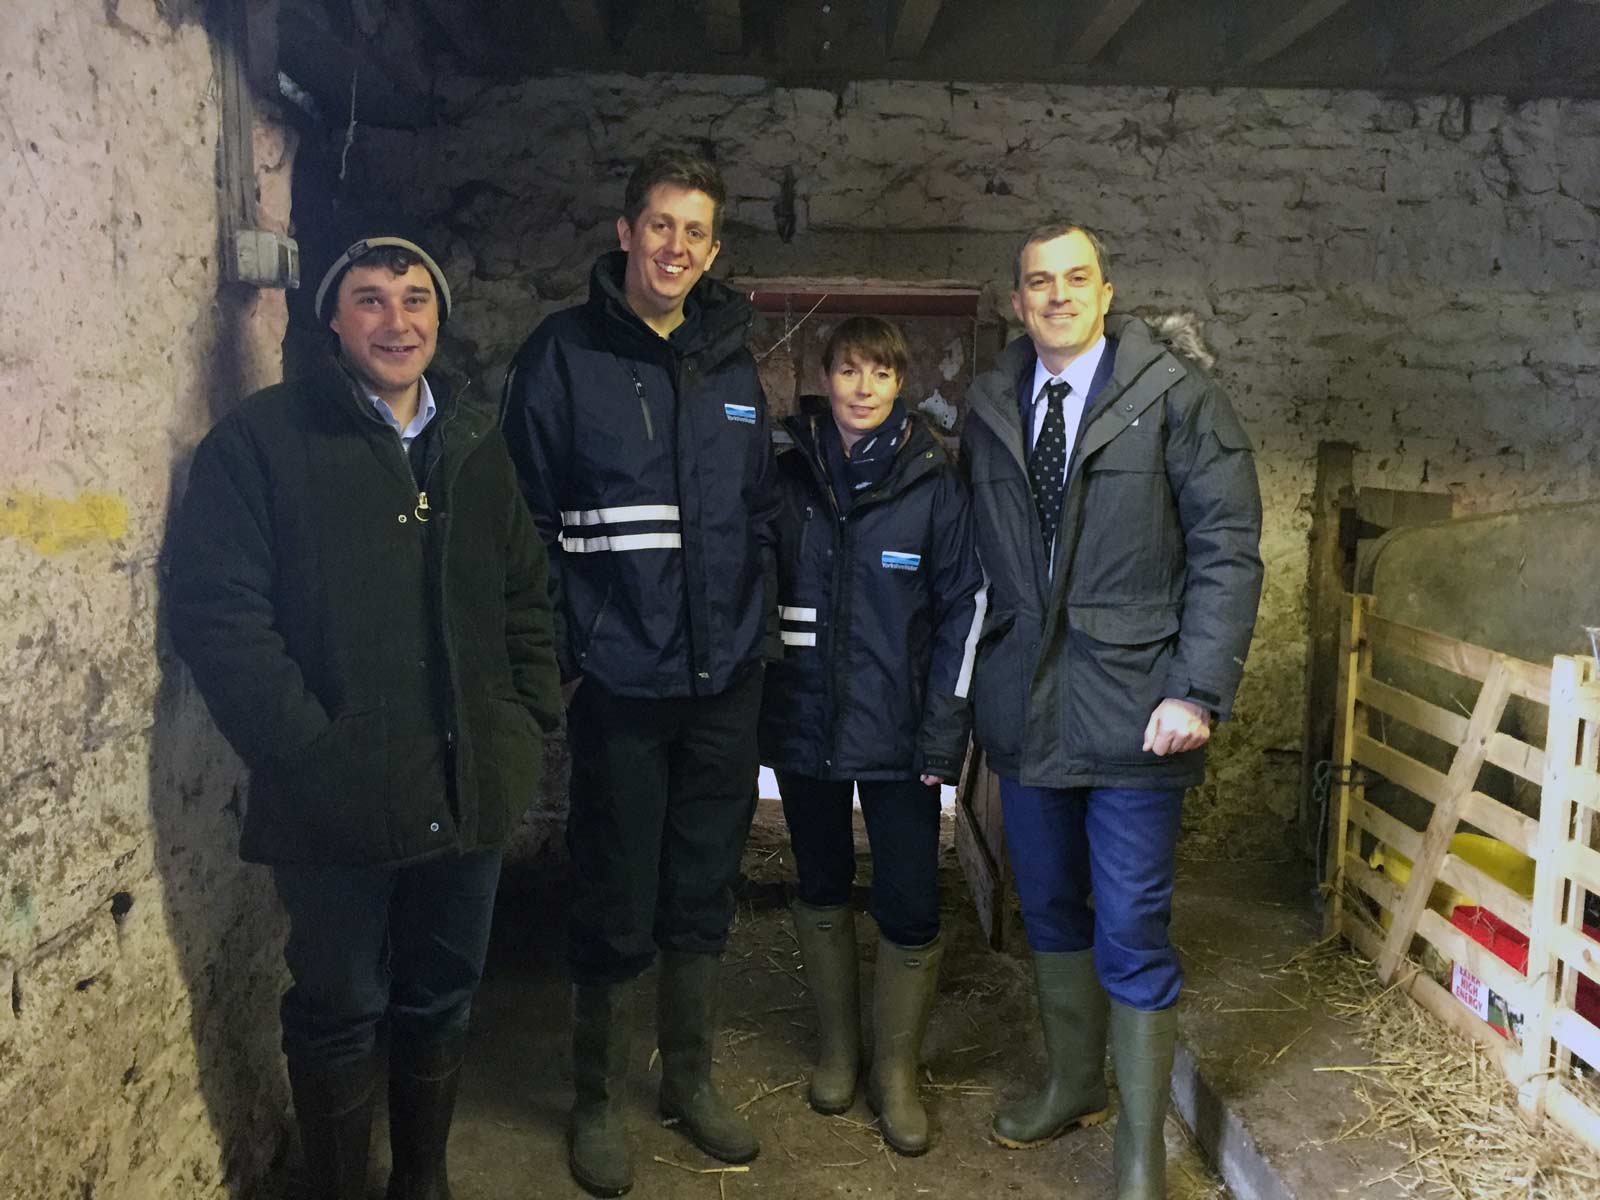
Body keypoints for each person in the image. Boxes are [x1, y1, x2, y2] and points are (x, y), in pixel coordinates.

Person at [167, 232, 563, 1200]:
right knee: (341, 1006)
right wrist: (308, 750)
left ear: (440, 318)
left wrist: (524, 719)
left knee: (439, 997)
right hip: (331, 796)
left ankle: (419, 1180)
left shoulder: (473, 445)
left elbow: (523, 594)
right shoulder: (261, 444)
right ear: (333, 320)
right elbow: (219, 616)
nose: (399, 320)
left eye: (416, 298)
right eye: (373, 299)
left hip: (466, 779)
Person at [962, 222, 1263, 1199]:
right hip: (1030, 712)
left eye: (1074, 277)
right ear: (1016, 300)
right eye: (1036, 280)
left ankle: (1138, 1147)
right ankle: (1070, 1087)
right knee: (1047, 908)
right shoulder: (989, 405)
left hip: (1139, 711)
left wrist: (1197, 686)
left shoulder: (1175, 397)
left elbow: (1226, 544)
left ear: (1106, 289)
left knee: (1129, 921)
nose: (1055, 294)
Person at [502, 148, 778, 1198]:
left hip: (722, 684)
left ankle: (691, 1081)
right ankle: (597, 1099)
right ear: (625, 233)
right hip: (620, 679)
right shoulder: (562, 357)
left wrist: (754, 634)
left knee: (703, 886)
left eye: (695, 232)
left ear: (714, 250)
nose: (676, 248)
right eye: (659, 226)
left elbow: (753, 512)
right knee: (616, 892)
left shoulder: (733, 359)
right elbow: (523, 523)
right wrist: (571, 648)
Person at [758, 316, 984, 1156]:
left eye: (879, 373)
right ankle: (837, 1051)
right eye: (848, 370)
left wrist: (942, 738)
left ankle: (896, 1072)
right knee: (818, 882)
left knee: (908, 901)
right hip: (807, 723)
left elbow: (966, 607)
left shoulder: (934, 483)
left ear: (899, 384)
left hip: (899, 736)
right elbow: (751, 579)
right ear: (826, 376)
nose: (862, 386)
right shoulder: (788, 478)